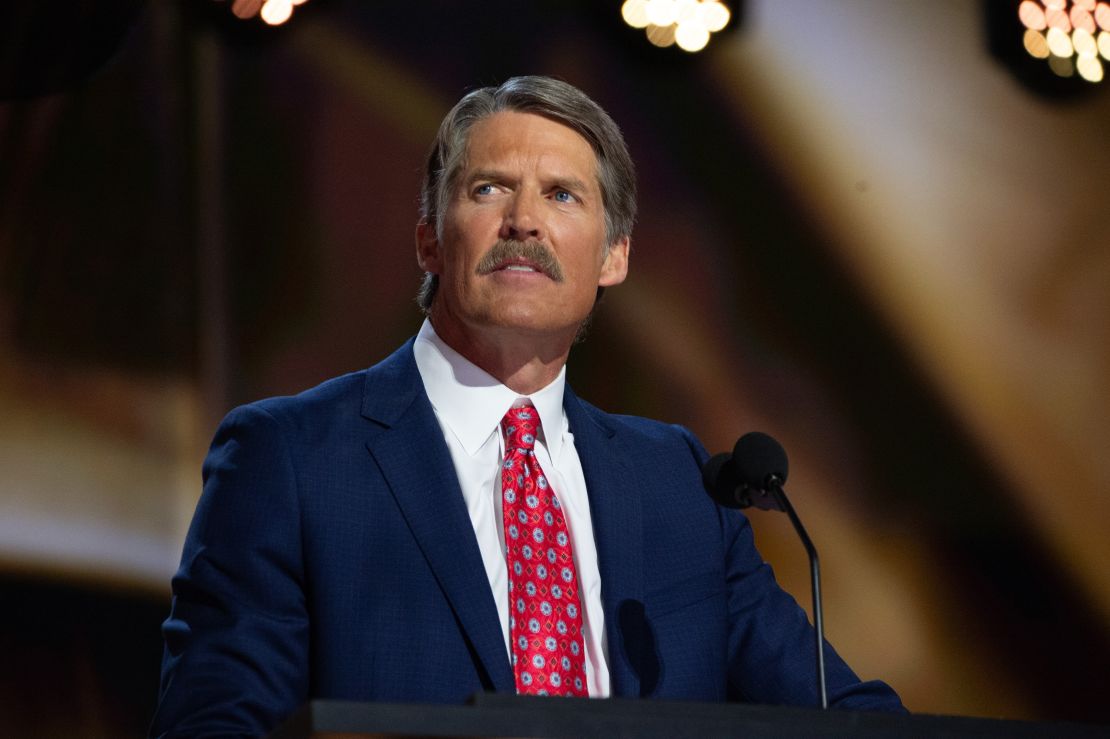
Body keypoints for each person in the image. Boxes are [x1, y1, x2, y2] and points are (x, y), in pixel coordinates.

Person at [151, 75, 903, 738]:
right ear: (427, 241)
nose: (524, 221)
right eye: (489, 189)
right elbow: (215, 722)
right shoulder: (289, 457)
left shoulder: (678, 482)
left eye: (563, 195)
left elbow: (840, 710)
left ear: (614, 256)